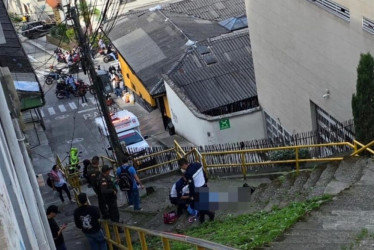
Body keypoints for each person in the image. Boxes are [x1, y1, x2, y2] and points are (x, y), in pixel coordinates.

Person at [178, 158, 215, 223]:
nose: (182, 169)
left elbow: (191, 186)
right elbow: (203, 173)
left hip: (198, 190)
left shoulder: (188, 173)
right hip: (204, 186)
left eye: (181, 167)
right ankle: (202, 220)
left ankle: (211, 214)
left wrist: (191, 195)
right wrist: (206, 181)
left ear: (183, 165)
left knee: (200, 206)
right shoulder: (197, 164)